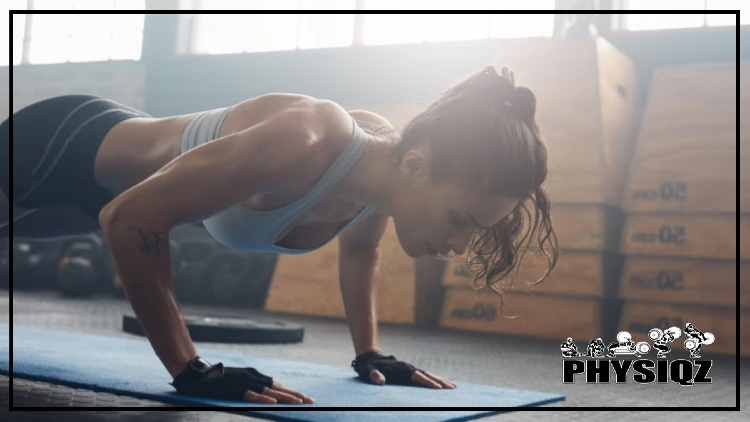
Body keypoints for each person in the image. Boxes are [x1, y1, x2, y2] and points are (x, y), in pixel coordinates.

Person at [0, 65, 558, 404]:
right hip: (59, 147)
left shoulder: (383, 179)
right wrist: (189, 369)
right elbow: (129, 219)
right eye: (461, 220)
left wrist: (370, 354)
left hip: (105, 189)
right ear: (416, 165)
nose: (460, 248)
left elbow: (362, 251)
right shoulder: (308, 140)